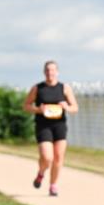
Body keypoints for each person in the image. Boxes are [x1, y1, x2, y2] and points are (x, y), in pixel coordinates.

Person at [23, 60, 78, 197]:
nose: (50, 72)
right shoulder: (37, 88)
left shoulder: (64, 88)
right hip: (43, 125)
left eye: (52, 70)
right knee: (47, 157)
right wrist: (38, 109)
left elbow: (75, 108)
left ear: (57, 72)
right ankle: (41, 173)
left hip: (59, 125)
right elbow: (26, 106)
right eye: (47, 70)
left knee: (58, 157)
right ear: (44, 72)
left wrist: (66, 107)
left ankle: (53, 185)